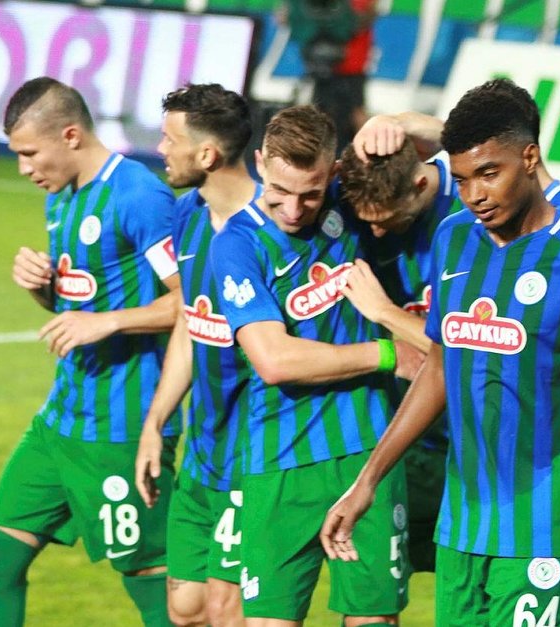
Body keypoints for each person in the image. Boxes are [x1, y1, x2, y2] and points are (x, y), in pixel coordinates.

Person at [321, 85, 560, 627]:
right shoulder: (453, 238)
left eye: (489, 174)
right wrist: (368, 479)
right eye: (462, 179)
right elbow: (441, 366)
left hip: (548, 528)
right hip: (462, 528)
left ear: (530, 159)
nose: (475, 195)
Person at [0, 77, 182, 626]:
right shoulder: (60, 198)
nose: (24, 169)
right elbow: (76, 308)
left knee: (152, 582)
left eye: (29, 153)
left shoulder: (139, 196)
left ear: (70, 136)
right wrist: (41, 287)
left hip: (122, 426)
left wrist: (110, 321)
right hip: (62, 418)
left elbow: (195, 302)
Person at [206, 104, 420, 626]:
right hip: (280, 459)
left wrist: (397, 124)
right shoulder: (237, 244)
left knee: (373, 620)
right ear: (260, 162)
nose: (294, 209)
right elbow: (274, 360)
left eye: (311, 193)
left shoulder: (351, 205)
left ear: (335, 172)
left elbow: (439, 165)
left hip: (368, 452)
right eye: (280, 191)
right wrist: (387, 353)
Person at [134, 83, 262, 627]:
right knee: (185, 608)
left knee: (226, 610)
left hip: (255, 456)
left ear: (207, 154)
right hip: (203, 450)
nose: (161, 149)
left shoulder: (272, 228)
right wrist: (156, 422)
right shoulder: (187, 214)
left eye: (170, 139)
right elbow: (192, 318)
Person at [336, 138, 460, 574]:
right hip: (409, 443)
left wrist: (384, 312)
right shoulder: (367, 224)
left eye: (388, 219)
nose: (376, 233)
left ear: (420, 185)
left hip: (474, 450)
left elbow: (470, 345)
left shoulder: (468, 224)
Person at [281, 0, 376, 150]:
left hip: (352, 62)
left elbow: (366, 16)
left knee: (355, 113)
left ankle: (370, 152)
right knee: (320, 112)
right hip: (321, 61)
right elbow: (284, 16)